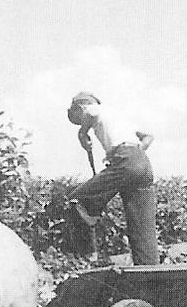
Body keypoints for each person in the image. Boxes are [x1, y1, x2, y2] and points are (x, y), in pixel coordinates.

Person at [65, 92, 159, 265]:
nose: (81, 121)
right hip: (143, 165)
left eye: (78, 117)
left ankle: (87, 258)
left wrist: (82, 132)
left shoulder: (93, 108)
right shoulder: (118, 116)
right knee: (142, 228)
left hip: (126, 161)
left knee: (76, 202)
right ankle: (150, 273)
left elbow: (90, 113)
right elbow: (148, 137)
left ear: (80, 107)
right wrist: (132, 155)